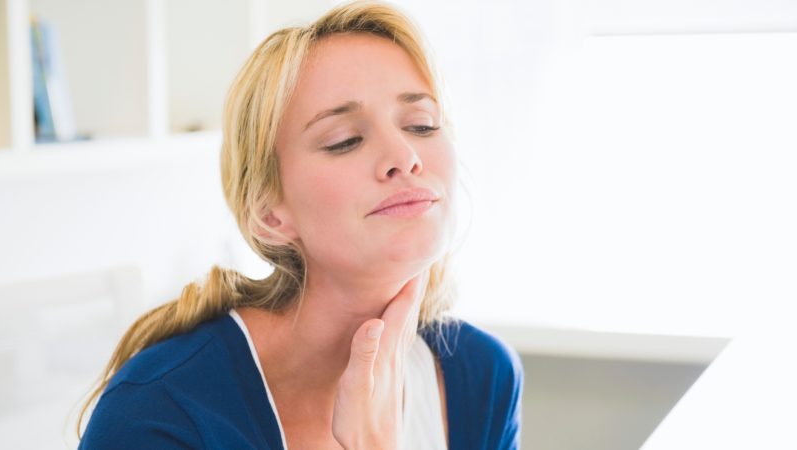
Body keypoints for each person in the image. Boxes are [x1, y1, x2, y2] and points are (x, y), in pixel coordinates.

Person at [77, 1, 523, 449]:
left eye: (422, 125)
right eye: (345, 140)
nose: (404, 157)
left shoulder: (480, 378)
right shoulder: (157, 412)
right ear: (270, 215)